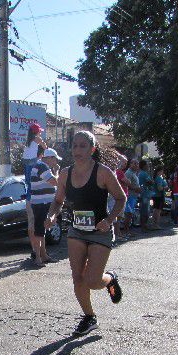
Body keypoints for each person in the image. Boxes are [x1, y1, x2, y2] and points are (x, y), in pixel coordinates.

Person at [45, 131, 126, 337]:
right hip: (77, 231)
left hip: (100, 232)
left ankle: (110, 279)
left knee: (92, 280)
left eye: (83, 146)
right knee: (77, 277)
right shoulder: (65, 174)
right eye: (75, 146)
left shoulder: (103, 172)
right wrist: (52, 215)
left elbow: (121, 198)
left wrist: (109, 220)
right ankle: (89, 317)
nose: (77, 150)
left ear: (92, 149)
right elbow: (57, 201)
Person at [29, 148, 61, 267]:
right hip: (41, 203)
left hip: (42, 202)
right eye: (55, 159)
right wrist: (57, 172)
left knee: (42, 230)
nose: (56, 162)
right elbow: (55, 182)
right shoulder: (42, 166)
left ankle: (44, 255)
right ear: (50, 158)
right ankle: (38, 257)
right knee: (39, 231)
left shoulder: (40, 166)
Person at [22, 123, 47, 259]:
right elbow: (45, 146)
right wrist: (44, 145)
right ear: (36, 132)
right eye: (39, 132)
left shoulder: (28, 141)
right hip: (31, 162)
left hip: (26, 162)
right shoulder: (35, 139)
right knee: (33, 180)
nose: (40, 134)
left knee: (29, 181)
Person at [123, 159, 142, 233]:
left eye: (137, 163)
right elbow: (126, 185)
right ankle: (125, 232)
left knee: (130, 214)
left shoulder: (134, 173)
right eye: (135, 163)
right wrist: (136, 189)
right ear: (130, 164)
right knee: (128, 214)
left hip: (133, 196)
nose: (137, 165)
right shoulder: (129, 173)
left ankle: (127, 231)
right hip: (129, 196)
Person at [137, 159, 153, 228]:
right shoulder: (144, 173)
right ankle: (144, 225)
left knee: (143, 209)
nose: (148, 166)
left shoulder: (140, 173)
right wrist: (152, 182)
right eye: (147, 165)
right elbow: (150, 182)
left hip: (143, 193)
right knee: (145, 210)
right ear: (144, 166)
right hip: (145, 194)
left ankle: (143, 224)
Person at [150, 165, 167, 229]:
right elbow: (159, 188)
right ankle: (156, 224)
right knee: (158, 210)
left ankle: (154, 224)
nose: (163, 172)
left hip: (155, 195)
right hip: (159, 196)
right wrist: (165, 187)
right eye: (162, 171)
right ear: (159, 172)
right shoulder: (159, 178)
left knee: (155, 209)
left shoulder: (156, 177)